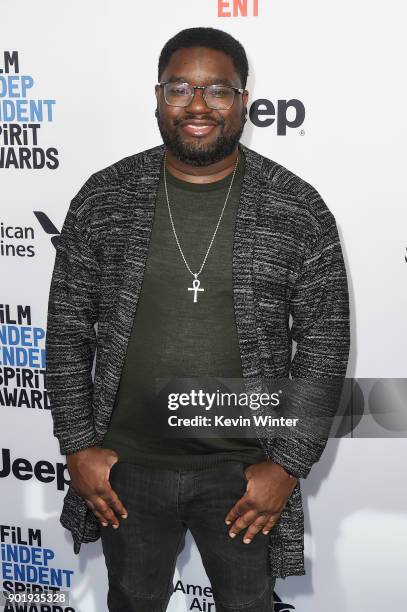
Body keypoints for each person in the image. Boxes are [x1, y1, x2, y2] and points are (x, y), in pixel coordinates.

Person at [45, 27, 350, 612]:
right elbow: (65, 334)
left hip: (244, 476)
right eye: (180, 88)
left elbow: (324, 349)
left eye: (219, 90)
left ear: (243, 99)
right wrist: (78, 445)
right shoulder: (104, 198)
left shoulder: (296, 207)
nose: (199, 106)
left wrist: (286, 466)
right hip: (126, 472)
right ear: (158, 97)